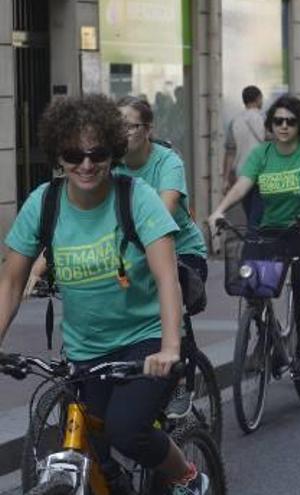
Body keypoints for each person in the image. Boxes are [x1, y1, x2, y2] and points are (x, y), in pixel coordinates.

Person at [0, 94, 208, 493]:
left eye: (96, 153)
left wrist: (169, 347)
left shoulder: (136, 197)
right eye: (73, 154)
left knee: (128, 431)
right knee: (90, 446)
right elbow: (10, 282)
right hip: (85, 351)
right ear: (59, 156)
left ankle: (188, 478)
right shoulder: (43, 203)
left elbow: (167, 278)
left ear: (112, 152)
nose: (86, 164)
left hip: (145, 343)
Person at [208, 94, 300, 369]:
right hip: (273, 229)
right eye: (278, 121)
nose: (284, 126)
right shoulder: (261, 154)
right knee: (252, 283)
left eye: (291, 121)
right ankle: (267, 340)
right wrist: (220, 210)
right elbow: (243, 185)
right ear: (271, 124)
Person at [116, 96, 209, 418]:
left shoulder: (168, 162)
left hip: (181, 250)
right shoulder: (108, 165)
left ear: (148, 129)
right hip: (129, 255)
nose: (123, 132)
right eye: (117, 126)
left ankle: (181, 379)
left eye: (130, 125)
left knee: (173, 302)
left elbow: (164, 211)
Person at [222, 86, 266, 228]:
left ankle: (254, 242)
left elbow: (230, 153)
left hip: (242, 176)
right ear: (258, 98)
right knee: (259, 217)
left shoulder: (235, 122)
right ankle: (254, 245)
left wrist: (226, 179)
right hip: (263, 175)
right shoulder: (265, 119)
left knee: (250, 215)